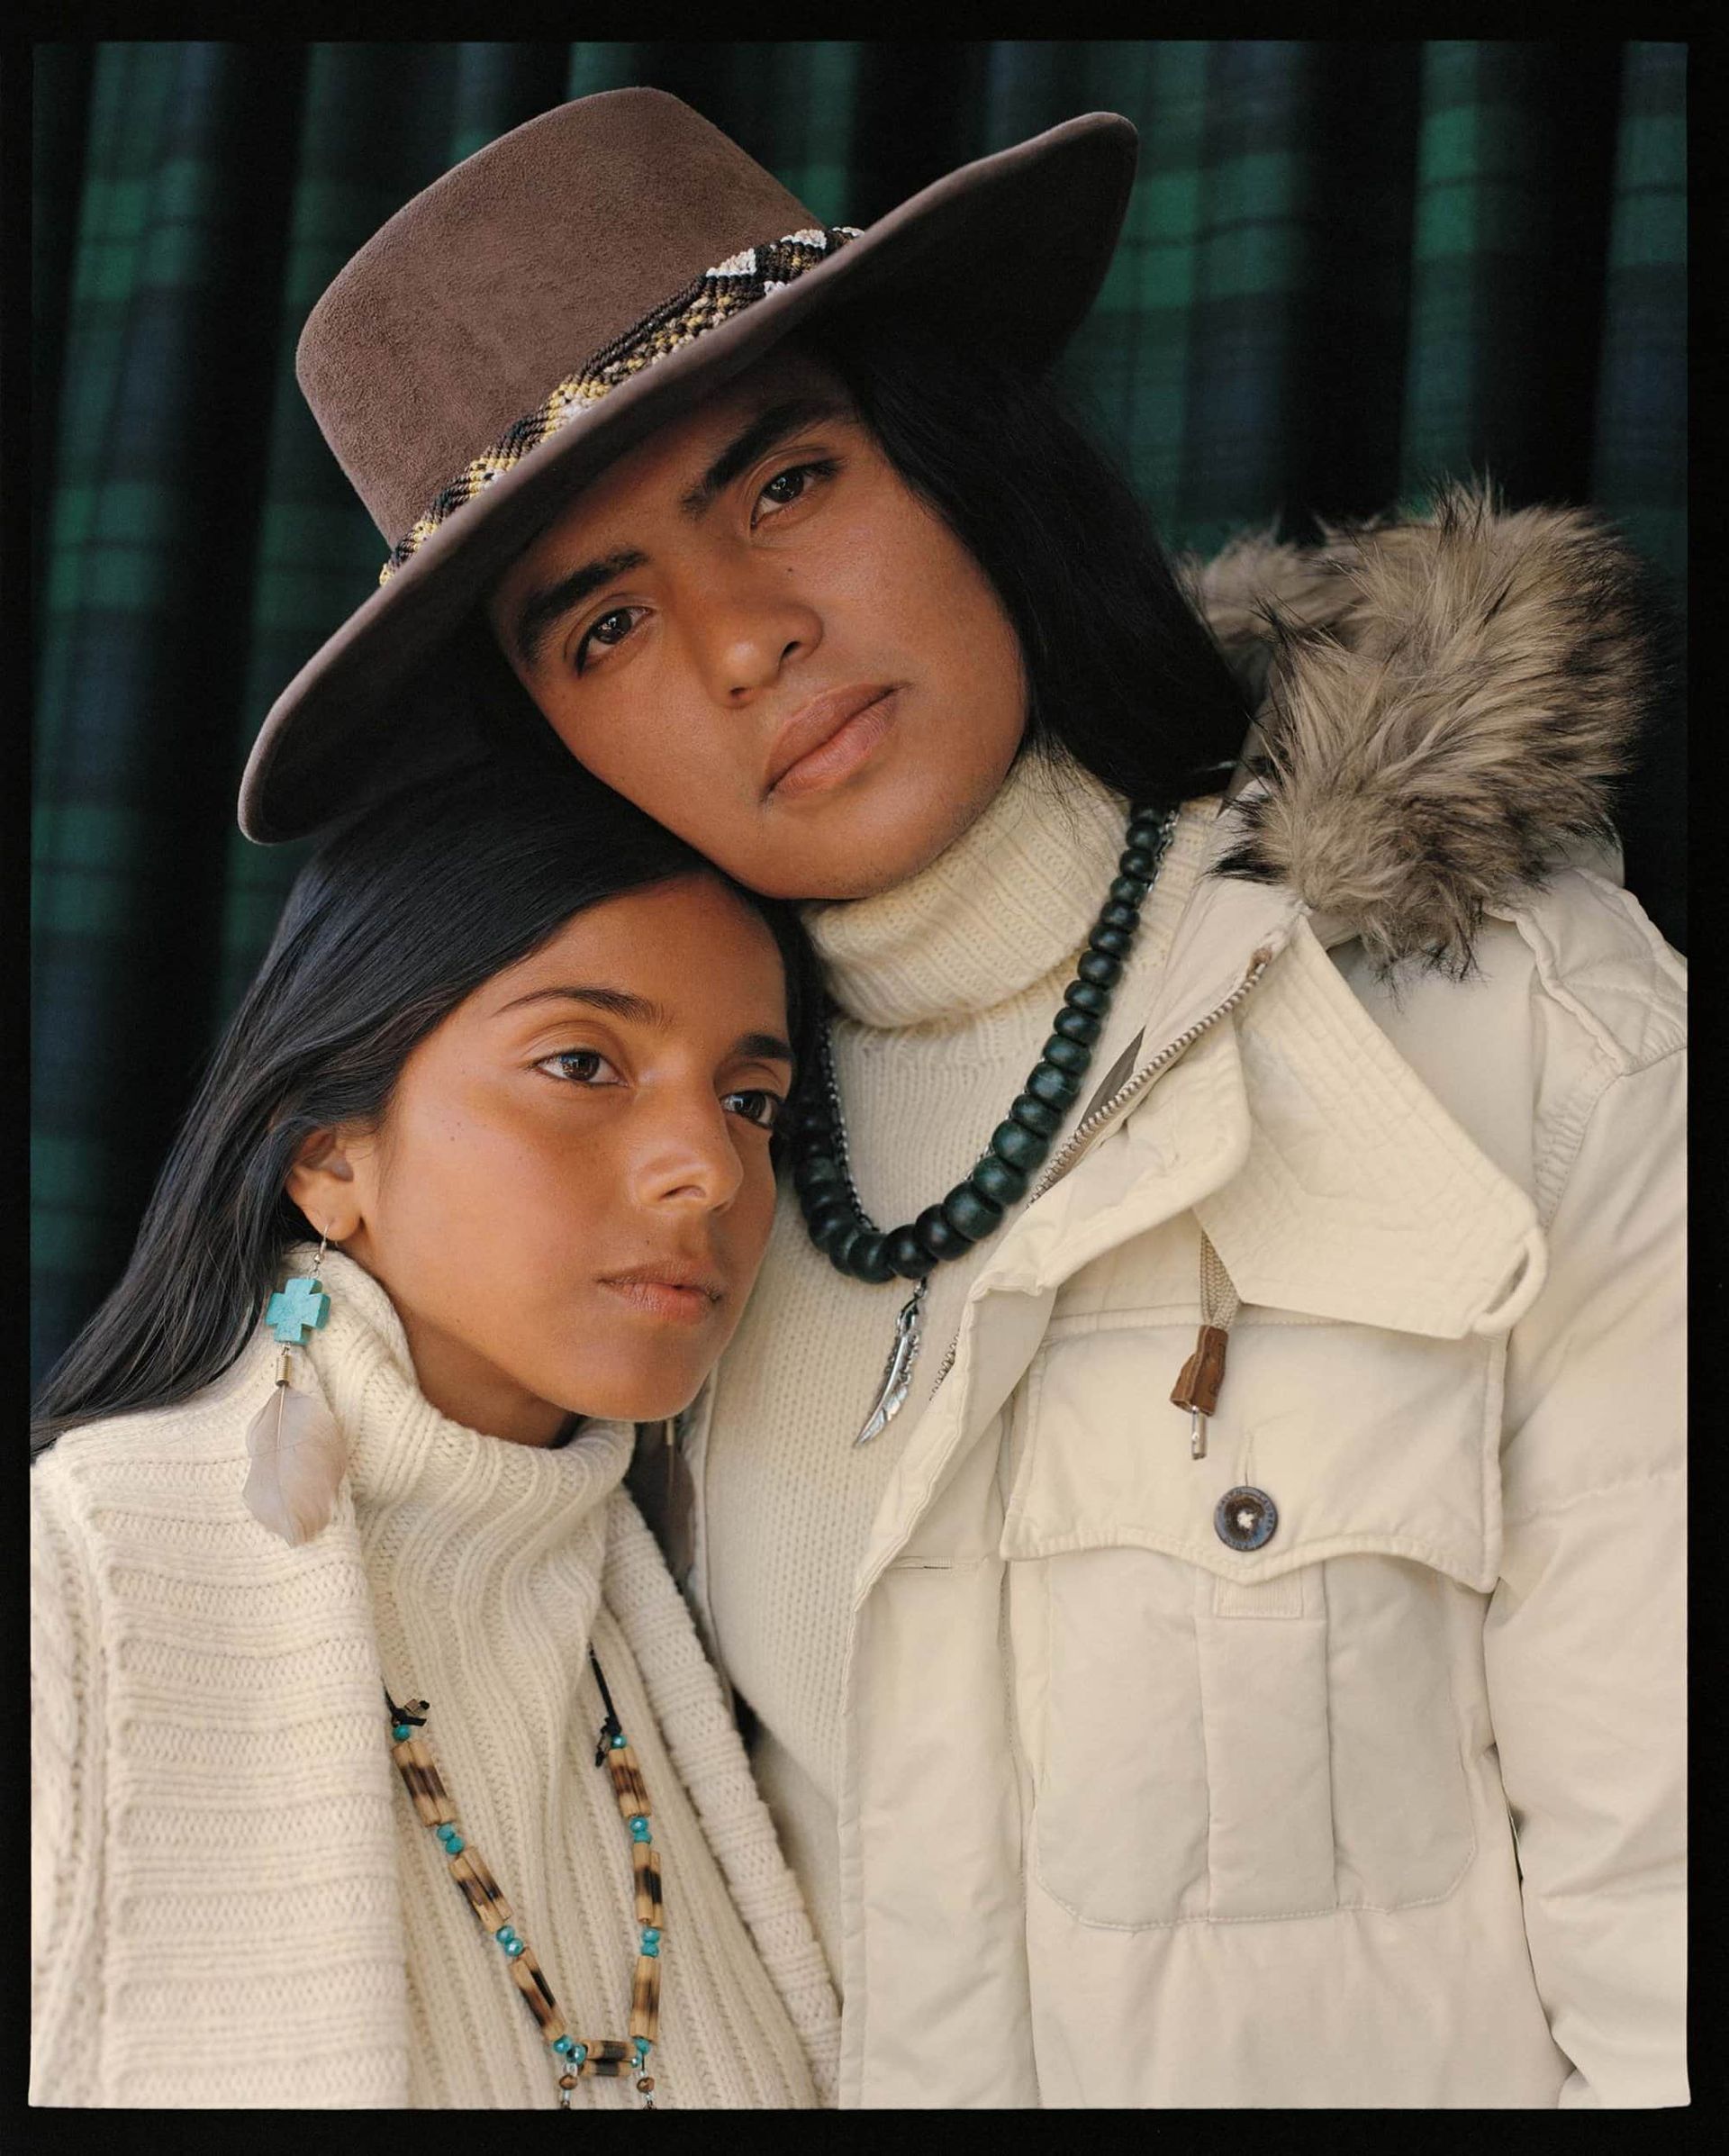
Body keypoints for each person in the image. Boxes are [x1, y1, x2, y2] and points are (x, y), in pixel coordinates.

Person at [232, 92, 1687, 2107]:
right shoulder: (660, 1194)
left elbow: (1665, 1911)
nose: (749, 643)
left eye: (787, 485)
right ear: (554, 735)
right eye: (610, 621)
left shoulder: (1499, 1031)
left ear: (960, 461)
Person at [30, 748, 840, 2108]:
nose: (710, 1167)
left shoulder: (716, 1634)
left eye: (750, 1099)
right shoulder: (73, 1599)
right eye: (584, 1061)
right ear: (328, 1154)